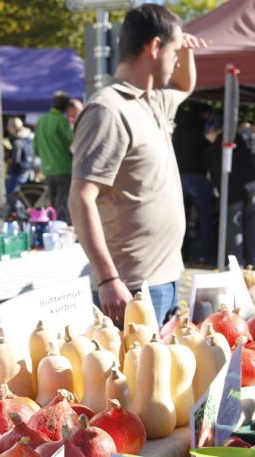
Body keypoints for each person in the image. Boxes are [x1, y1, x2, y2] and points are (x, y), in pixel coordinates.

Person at [69, 4, 206, 325]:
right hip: (130, 288)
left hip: (164, 279)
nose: (176, 61)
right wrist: (107, 279)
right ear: (155, 47)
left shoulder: (152, 100)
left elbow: (185, 85)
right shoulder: (108, 110)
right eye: (174, 51)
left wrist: (184, 48)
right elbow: (80, 197)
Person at [205, 120, 255, 268]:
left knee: (234, 229)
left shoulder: (216, 147)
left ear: (212, 132)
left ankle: (236, 265)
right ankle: (254, 262)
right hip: (252, 186)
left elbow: (215, 174)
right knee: (250, 226)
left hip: (234, 190)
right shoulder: (238, 140)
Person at [174, 101, 216, 265]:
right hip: (199, 176)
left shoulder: (179, 129)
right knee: (205, 218)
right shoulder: (203, 130)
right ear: (204, 114)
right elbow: (209, 152)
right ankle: (208, 255)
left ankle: (181, 254)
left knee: (180, 219)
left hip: (181, 175)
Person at [34, 92, 75, 222]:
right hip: (63, 167)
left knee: (53, 203)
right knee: (63, 203)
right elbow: (73, 141)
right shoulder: (61, 121)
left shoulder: (41, 121)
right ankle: (61, 229)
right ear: (66, 107)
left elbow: (35, 148)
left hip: (47, 169)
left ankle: (54, 227)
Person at [5, 117, 34, 199]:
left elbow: (15, 159)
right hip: (27, 171)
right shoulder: (27, 139)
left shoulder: (17, 141)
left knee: (11, 196)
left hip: (18, 172)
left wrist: (9, 159)